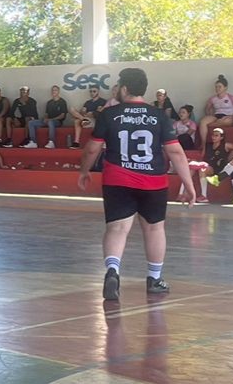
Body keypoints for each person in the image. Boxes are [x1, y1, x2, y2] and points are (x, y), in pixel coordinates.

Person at [78, 66, 195, 302]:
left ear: (124, 88)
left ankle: (113, 271)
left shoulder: (109, 115)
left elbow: (93, 147)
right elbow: (176, 152)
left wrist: (84, 170)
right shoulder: (159, 115)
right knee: (154, 228)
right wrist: (189, 185)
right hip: (153, 181)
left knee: (117, 229)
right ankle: (154, 279)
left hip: (117, 179)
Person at [198, 76, 233, 146]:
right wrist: (210, 115)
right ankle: (203, 143)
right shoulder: (213, 99)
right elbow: (207, 108)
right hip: (216, 116)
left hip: (228, 117)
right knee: (203, 121)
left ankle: (211, 125)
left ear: (225, 87)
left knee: (227, 121)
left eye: (219, 87)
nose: (217, 89)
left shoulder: (231, 97)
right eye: (216, 87)